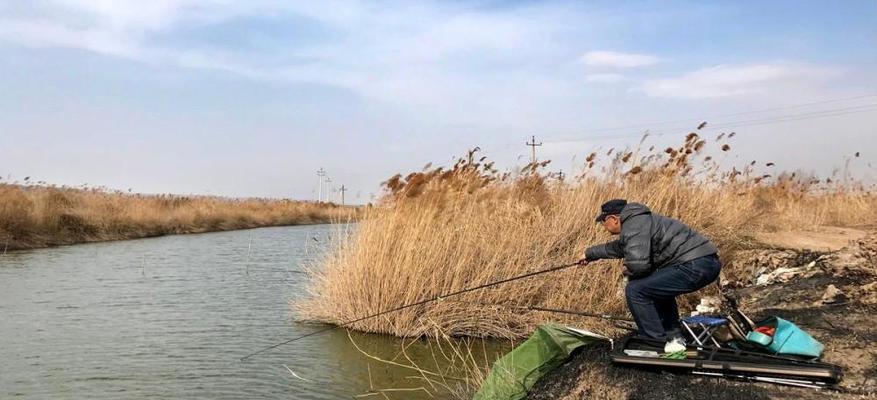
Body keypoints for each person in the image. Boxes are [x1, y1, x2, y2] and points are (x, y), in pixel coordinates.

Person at [577, 199, 721, 353]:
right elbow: (619, 248)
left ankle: (654, 343)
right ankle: (673, 337)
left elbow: (638, 266)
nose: (603, 226)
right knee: (654, 287)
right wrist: (589, 254)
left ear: (613, 218)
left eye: (603, 221)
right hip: (704, 263)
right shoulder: (638, 222)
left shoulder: (634, 225)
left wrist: (629, 273)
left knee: (635, 290)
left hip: (695, 265)